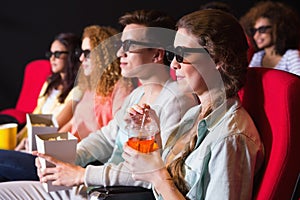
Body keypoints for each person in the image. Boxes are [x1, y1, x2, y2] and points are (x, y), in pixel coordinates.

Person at [0, 9, 199, 199]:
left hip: (116, 193)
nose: (120, 53)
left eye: (129, 46)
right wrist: (70, 158)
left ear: (156, 55)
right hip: (98, 188)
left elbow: (157, 173)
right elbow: (105, 138)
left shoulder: (177, 100)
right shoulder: (137, 94)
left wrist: (82, 174)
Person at [122, 9, 264, 199]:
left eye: (182, 55)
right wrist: (154, 135)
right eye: (172, 54)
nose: (173, 64)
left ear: (217, 59)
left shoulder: (231, 139)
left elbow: (164, 181)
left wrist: (157, 177)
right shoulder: (194, 114)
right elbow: (172, 178)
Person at [0, 32, 82, 181]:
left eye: (57, 54)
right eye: (50, 54)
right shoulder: (50, 82)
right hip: (26, 145)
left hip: (41, 150)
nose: (52, 59)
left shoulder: (79, 89)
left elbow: (56, 125)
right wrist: (16, 141)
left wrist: (31, 143)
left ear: (72, 56)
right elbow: (34, 116)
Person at [59, 25, 136, 141]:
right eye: (81, 52)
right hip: (70, 149)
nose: (81, 58)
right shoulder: (90, 86)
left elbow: (117, 134)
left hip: (89, 155)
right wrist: (51, 142)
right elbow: (73, 123)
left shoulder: (121, 88)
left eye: (86, 53)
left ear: (103, 55)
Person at [240, 1, 300, 76]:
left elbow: (297, 83)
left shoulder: (291, 55)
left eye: (262, 29)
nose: (256, 35)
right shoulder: (258, 56)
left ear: (278, 29)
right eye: (254, 31)